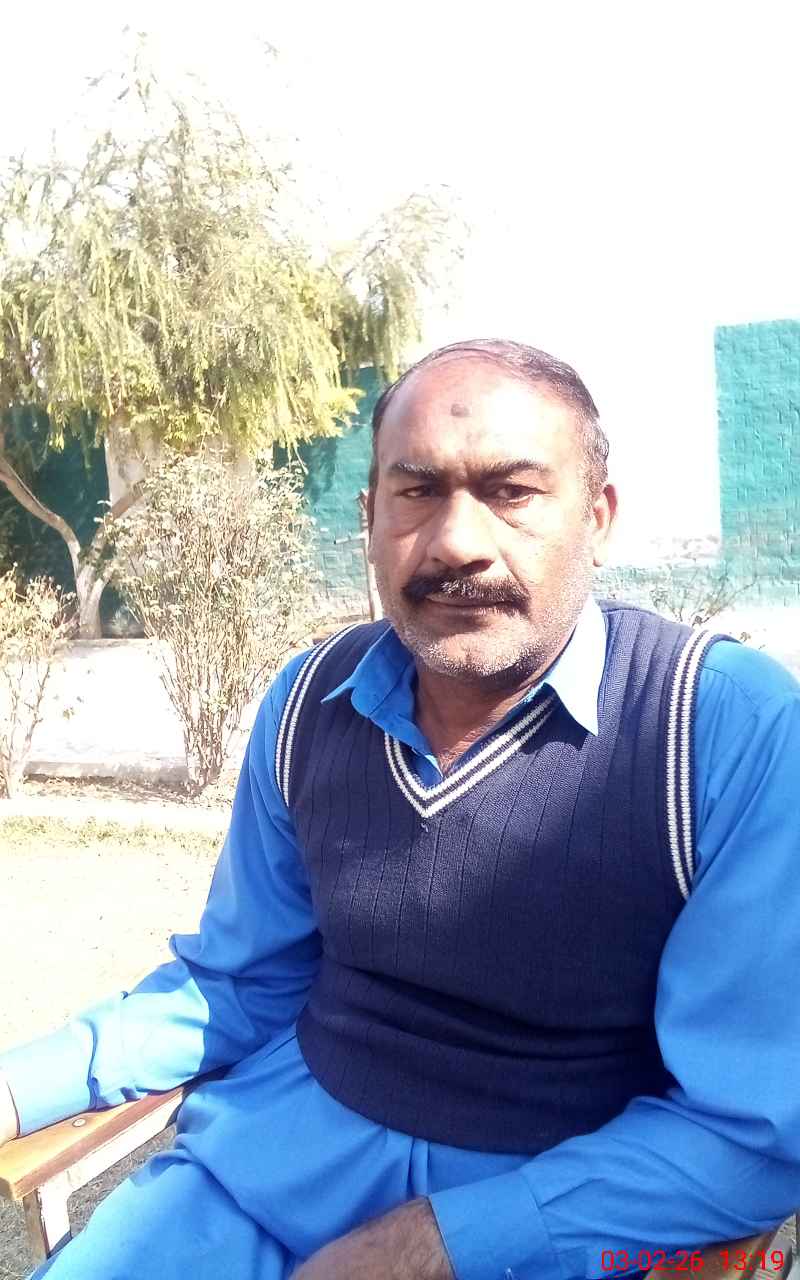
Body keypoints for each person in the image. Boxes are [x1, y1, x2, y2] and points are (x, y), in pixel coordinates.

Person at [1, 338, 799, 1280]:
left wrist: (440, 1243)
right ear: (370, 518)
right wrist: (20, 1088)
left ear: (598, 518)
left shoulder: (716, 730)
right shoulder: (309, 703)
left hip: (547, 1219)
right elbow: (238, 982)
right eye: (417, 491)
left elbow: (751, 1128)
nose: (457, 542)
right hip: (261, 1175)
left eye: (512, 492)